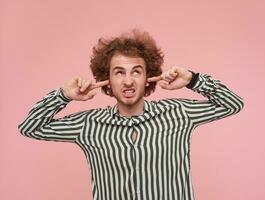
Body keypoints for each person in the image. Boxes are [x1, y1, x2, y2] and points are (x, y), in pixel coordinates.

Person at [18, 29, 244, 200]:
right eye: (119, 73)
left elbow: (232, 104)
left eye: (136, 72)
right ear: (106, 79)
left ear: (149, 77)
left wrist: (193, 80)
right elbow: (30, 127)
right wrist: (63, 95)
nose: (128, 81)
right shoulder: (88, 125)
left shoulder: (178, 113)